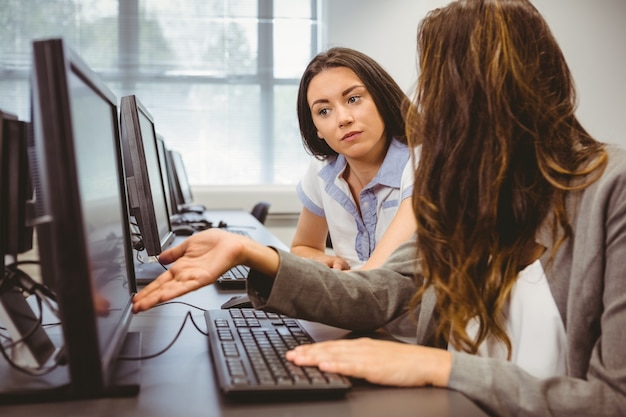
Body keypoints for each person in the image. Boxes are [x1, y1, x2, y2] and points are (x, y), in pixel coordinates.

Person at [132, 0, 626, 415]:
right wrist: (251, 253)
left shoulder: (610, 192)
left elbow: (613, 400)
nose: (429, 103)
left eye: (442, 87)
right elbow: (379, 293)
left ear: (501, 91)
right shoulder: (468, 193)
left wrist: (438, 367)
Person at [291, 47, 418, 271]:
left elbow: (378, 277)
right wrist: (323, 261)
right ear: (316, 129)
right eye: (323, 111)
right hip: (350, 300)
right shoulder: (323, 168)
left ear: (381, 97)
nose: (343, 119)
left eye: (353, 99)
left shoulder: (421, 161)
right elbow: (303, 246)